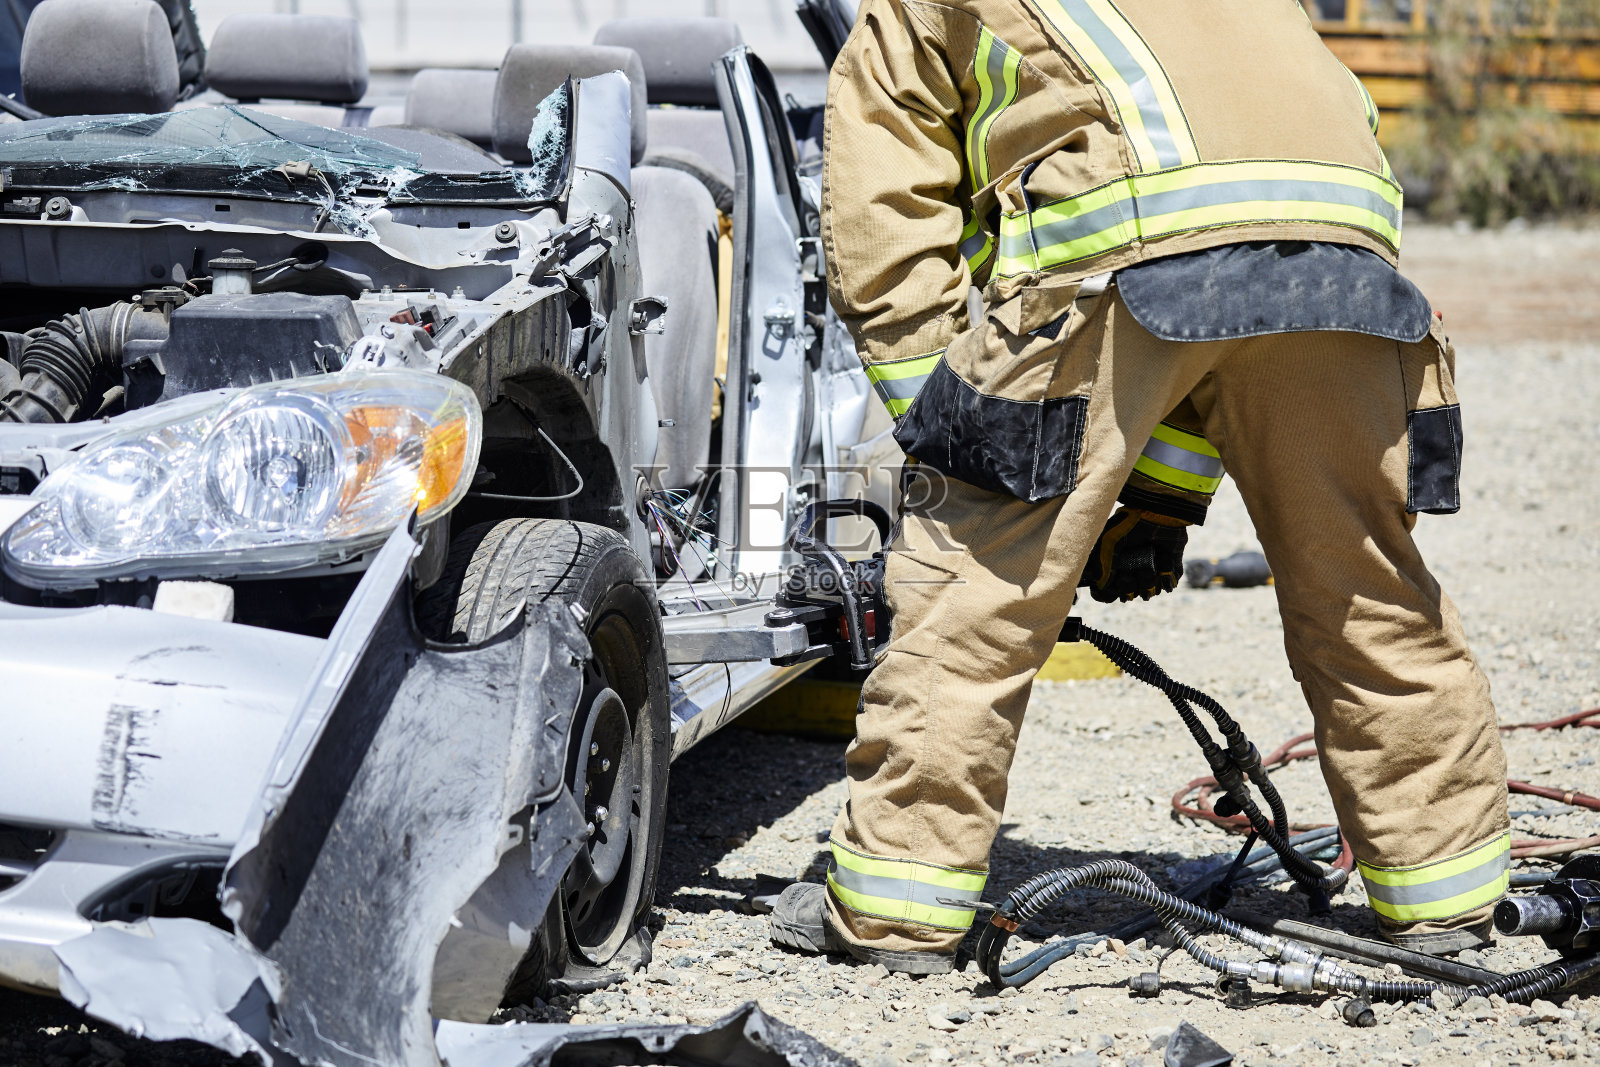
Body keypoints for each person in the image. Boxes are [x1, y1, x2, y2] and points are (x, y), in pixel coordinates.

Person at [768, 0, 1510, 974]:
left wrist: (949, 429)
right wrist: (1158, 493)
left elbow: (884, 215)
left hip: (1117, 242)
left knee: (971, 598)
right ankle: (1445, 895)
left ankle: (895, 907)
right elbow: (1227, 307)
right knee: (1366, 585)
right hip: (1344, 253)